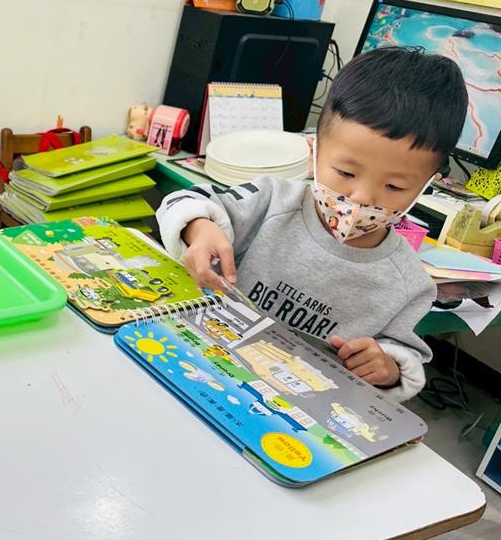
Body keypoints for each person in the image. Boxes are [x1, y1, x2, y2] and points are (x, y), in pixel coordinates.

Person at [158, 47, 468, 400]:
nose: (363, 197)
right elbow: (183, 201)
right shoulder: (271, 201)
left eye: (395, 187)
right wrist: (199, 228)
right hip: (203, 364)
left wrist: (387, 369)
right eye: (346, 172)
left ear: (426, 184)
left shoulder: (409, 282)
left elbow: (404, 357)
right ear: (314, 152)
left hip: (297, 406)